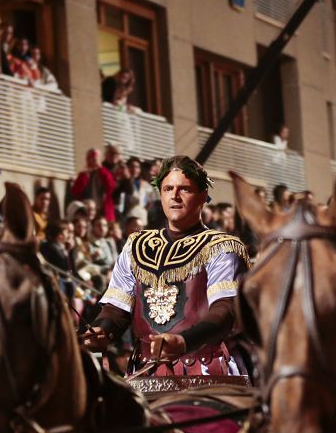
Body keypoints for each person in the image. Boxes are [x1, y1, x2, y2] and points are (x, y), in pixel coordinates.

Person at [82, 155, 249, 378]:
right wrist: (102, 331)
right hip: (144, 372)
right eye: (168, 188)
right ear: (160, 195)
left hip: (209, 370)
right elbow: (116, 309)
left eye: (185, 189)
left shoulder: (223, 247)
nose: (175, 196)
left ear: (203, 196)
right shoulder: (136, 245)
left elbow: (225, 311)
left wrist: (184, 341)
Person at [71, 148, 117, 222]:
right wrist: (85, 176)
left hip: (103, 210)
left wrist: (101, 169)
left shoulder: (104, 173)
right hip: (87, 211)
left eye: (95, 159)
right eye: (91, 158)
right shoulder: (83, 175)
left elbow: (111, 186)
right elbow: (76, 192)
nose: (93, 161)